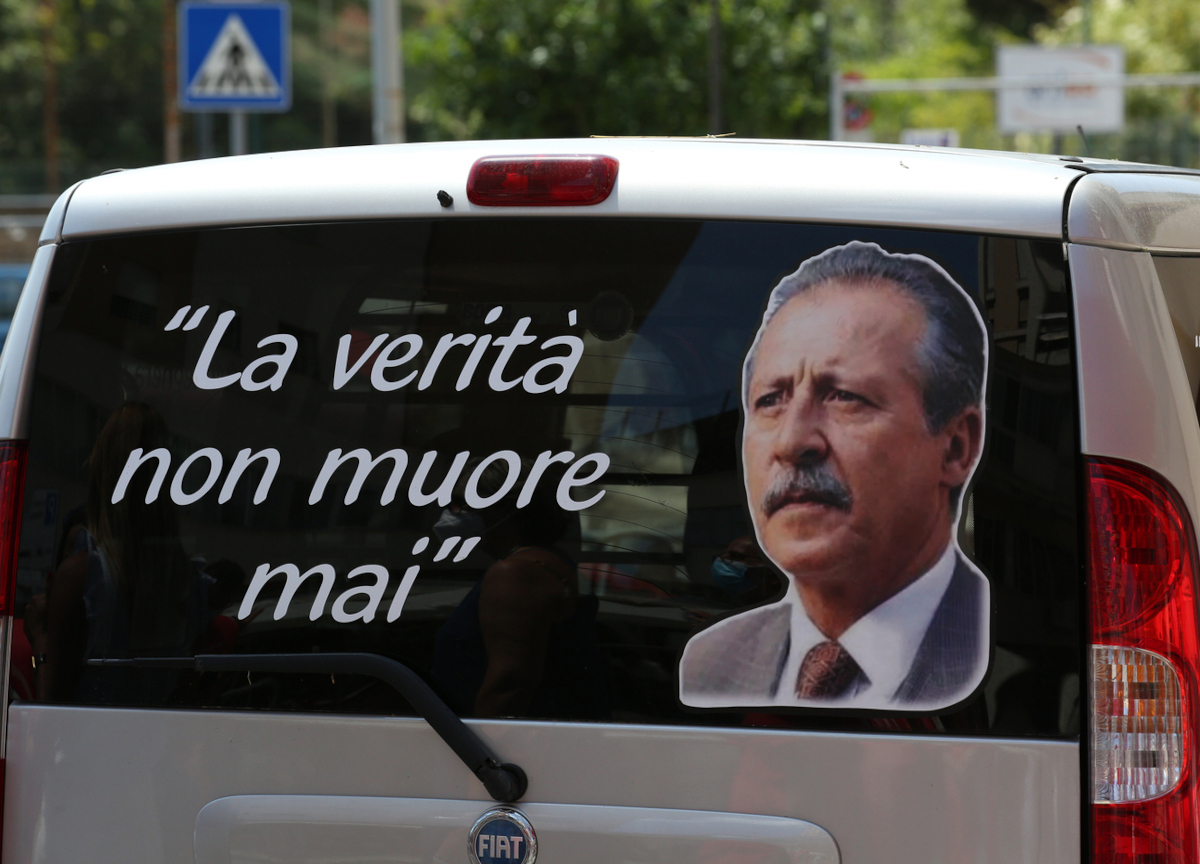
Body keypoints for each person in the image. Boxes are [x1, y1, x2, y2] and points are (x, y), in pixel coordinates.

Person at [679, 241, 990, 711]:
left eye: (844, 396)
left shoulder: (1003, 667)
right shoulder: (711, 665)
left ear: (956, 446)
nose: (791, 441)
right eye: (770, 401)